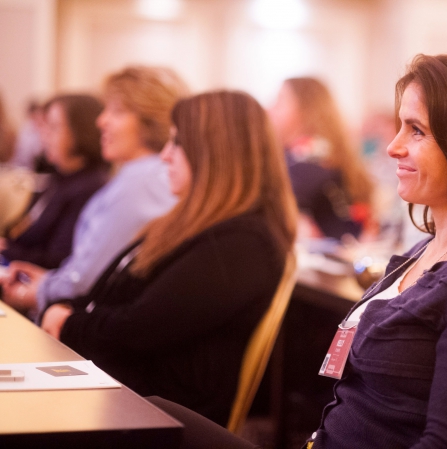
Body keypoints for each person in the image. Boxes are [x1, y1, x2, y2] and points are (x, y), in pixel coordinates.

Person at [153, 53, 447, 449]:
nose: (392, 147)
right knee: (153, 415)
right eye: (399, 127)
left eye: (416, 130)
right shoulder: (431, 250)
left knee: (151, 427)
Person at [40, 89, 298, 425]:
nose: (164, 156)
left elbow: (139, 329)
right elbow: (116, 299)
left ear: (214, 153)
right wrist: (67, 312)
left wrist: (67, 322)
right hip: (129, 394)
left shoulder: (241, 244)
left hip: (159, 415)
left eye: (176, 143)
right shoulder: (191, 225)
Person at [1, 66, 183, 319]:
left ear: (149, 122)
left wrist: (33, 291)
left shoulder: (141, 184)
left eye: (117, 112)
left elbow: (87, 282)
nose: (101, 121)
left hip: (86, 324)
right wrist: (49, 279)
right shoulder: (137, 178)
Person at [1, 95, 109, 268]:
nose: (44, 135)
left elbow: (58, 260)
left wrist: (8, 250)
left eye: (53, 127)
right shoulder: (60, 178)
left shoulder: (89, 187)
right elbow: (27, 230)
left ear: (79, 131)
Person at [269, 77, 373, 240]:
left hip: (331, 256)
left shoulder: (308, 157)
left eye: (280, 102)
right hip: (345, 250)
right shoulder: (329, 151)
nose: (270, 109)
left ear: (306, 110)